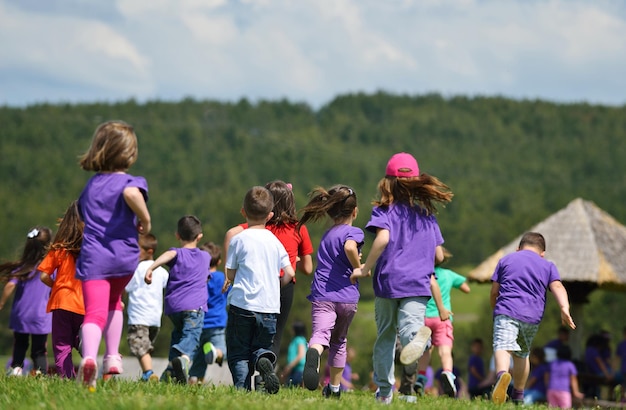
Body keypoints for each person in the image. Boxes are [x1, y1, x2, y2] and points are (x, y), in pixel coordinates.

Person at [354, 152, 452, 404]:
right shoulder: (427, 215)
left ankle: (385, 391)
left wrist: (366, 268)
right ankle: (416, 339)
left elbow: (383, 238)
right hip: (418, 284)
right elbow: (439, 256)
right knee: (410, 330)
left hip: (389, 282)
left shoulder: (384, 211)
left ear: (388, 183)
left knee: (386, 335)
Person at [75, 120, 151, 390]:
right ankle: (112, 358)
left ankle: (88, 359)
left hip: (95, 259)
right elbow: (130, 193)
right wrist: (145, 219)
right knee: (115, 303)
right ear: (130, 153)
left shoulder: (91, 186)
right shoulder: (132, 181)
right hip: (125, 259)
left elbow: (82, 213)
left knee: (94, 314)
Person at [223, 180, 313, 361]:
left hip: (256, 282)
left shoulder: (261, 225)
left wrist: (229, 267)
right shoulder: (299, 228)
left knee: (247, 334)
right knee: (275, 335)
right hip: (284, 286)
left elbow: (231, 233)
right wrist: (293, 259)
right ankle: (266, 371)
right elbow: (307, 268)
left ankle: (246, 373)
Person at [490, 231, 576, 405]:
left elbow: (494, 291)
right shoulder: (548, 265)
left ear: (518, 248)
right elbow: (558, 286)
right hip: (532, 317)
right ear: (542, 253)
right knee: (522, 354)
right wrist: (564, 308)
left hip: (507, 310)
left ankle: (501, 377)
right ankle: (519, 395)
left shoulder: (506, 260)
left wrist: (495, 308)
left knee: (502, 346)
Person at [224, 186, 296, 394]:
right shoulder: (275, 242)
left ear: (243, 212)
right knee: (260, 347)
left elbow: (230, 274)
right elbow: (290, 273)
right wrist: (277, 286)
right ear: (270, 215)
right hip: (269, 307)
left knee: (239, 352)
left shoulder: (239, 239)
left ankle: (242, 390)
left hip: (242, 305)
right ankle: (264, 359)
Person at [297, 185, 364, 399]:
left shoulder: (327, 235)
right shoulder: (354, 232)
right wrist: (358, 268)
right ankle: (334, 389)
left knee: (320, 335)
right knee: (339, 342)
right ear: (355, 211)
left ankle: (314, 353)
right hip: (347, 296)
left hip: (323, 294)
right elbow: (350, 248)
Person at [145, 215, 210, 384]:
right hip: (195, 307)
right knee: (192, 337)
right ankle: (184, 358)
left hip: (175, 307)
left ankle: (169, 375)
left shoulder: (176, 253)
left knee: (179, 335)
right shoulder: (205, 257)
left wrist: (152, 267)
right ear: (199, 236)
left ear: (177, 235)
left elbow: (168, 254)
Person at [413, 248, 470, 397]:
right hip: (442, 317)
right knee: (445, 350)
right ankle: (448, 374)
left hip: (424, 317)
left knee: (425, 351)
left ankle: (421, 377)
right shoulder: (449, 274)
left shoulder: (423, 273)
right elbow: (466, 289)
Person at [38, 201, 84, 379]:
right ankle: (85, 346)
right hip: (84, 302)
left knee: (62, 344)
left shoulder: (59, 247)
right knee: (81, 335)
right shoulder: (90, 248)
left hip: (61, 302)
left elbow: (43, 276)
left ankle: (67, 378)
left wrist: (56, 286)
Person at [0, 226, 53, 376]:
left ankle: (16, 369)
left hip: (21, 314)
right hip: (40, 315)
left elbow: (10, 284)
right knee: (39, 350)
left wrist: (2, 302)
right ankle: (41, 373)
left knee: (20, 345)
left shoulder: (23, 267)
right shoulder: (49, 268)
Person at [125, 233, 169, 382]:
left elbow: (126, 287)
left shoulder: (136, 270)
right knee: (144, 348)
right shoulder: (162, 271)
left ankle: (149, 373)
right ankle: (147, 375)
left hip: (139, 317)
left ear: (149, 251)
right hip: (155, 319)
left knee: (139, 346)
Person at [189, 242, 228, 385]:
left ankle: (195, 381)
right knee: (221, 351)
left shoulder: (199, 278)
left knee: (200, 356)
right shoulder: (222, 278)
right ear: (219, 261)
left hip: (199, 323)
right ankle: (215, 352)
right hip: (217, 323)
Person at [282, 320, 307, 387]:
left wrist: (289, 366)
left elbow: (301, 354)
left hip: (298, 370)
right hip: (295, 369)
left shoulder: (299, 340)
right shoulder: (295, 340)